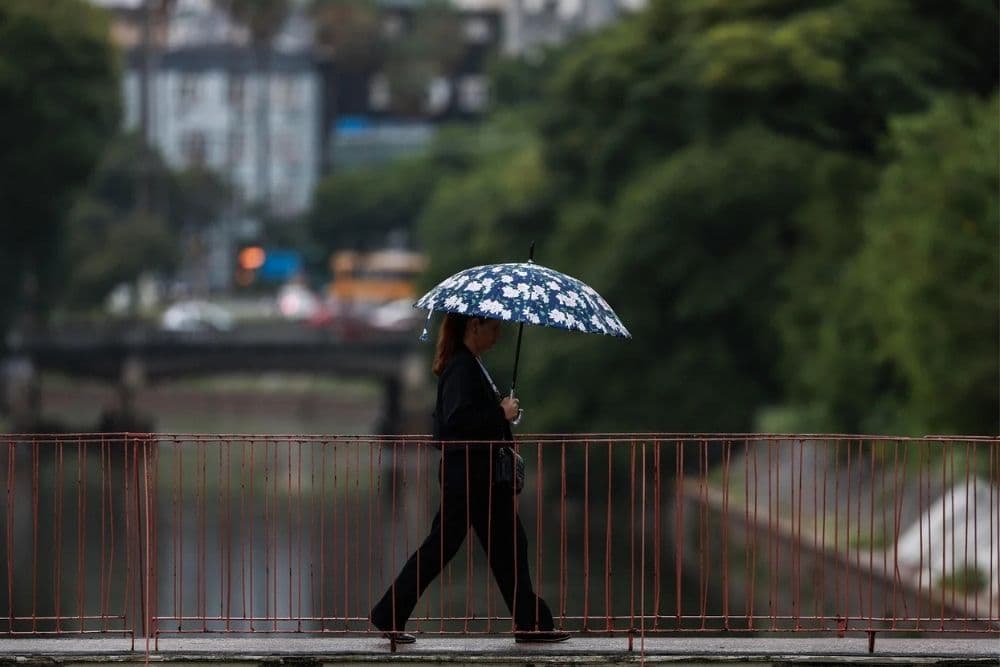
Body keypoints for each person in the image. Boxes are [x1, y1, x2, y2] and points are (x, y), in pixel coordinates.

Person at [369, 313, 570, 644]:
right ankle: (389, 613)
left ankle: (530, 623)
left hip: (479, 479)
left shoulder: (469, 365)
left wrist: (503, 414)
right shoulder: (462, 367)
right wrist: (500, 413)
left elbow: (463, 420)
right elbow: (458, 422)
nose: (499, 335)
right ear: (473, 325)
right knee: (449, 548)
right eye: (494, 328)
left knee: (507, 547)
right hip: (470, 480)